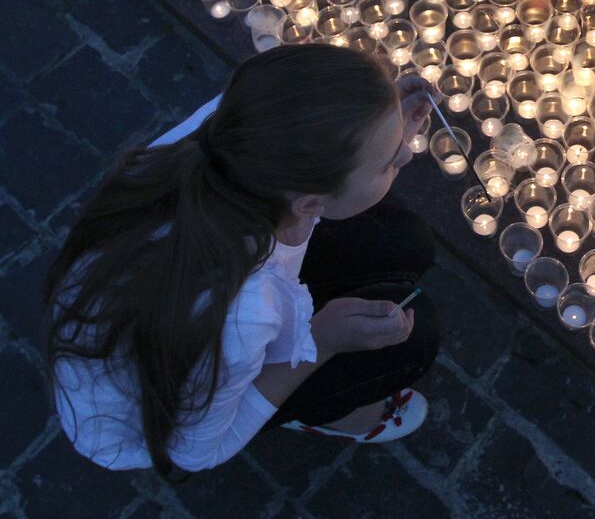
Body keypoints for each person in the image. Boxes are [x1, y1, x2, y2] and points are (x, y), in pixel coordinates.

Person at [44, 43, 442, 475]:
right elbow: (191, 452)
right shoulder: (244, 311)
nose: (405, 155)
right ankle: (320, 413)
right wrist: (323, 341)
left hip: (190, 307)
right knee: (414, 339)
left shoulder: (235, 133)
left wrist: (376, 119)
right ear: (310, 203)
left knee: (408, 242)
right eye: (389, 162)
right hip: (158, 405)